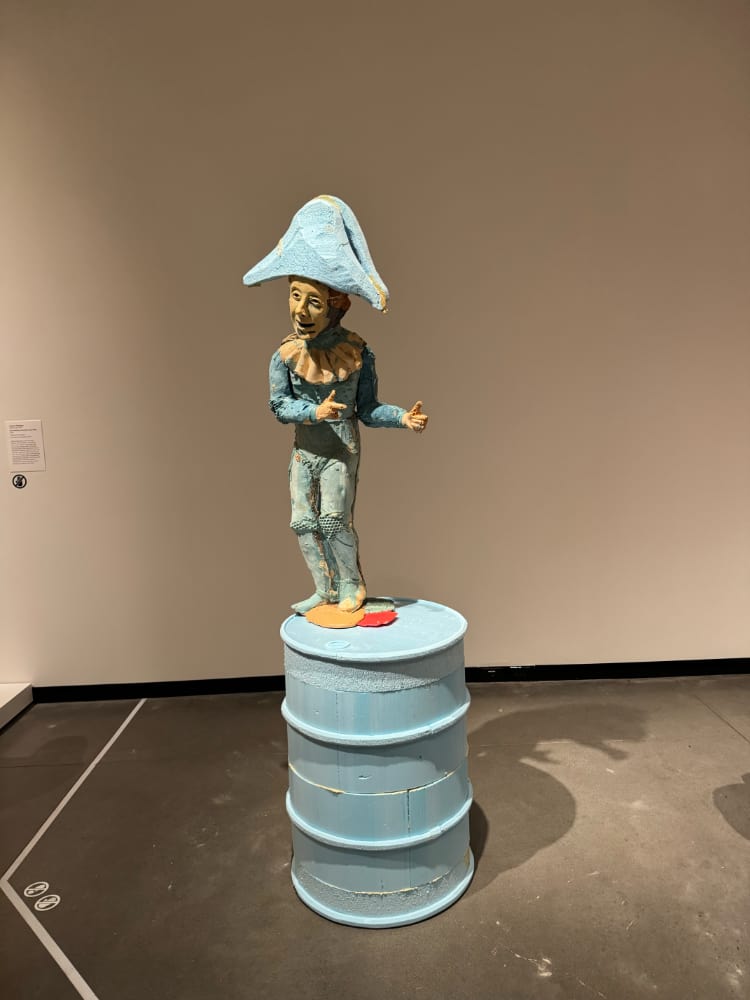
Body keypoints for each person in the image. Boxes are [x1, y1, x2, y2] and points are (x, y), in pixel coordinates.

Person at [244, 196, 427, 614]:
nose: (300, 310)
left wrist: (402, 417)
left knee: (332, 520)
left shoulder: (356, 353)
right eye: (295, 296)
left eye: (313, 301)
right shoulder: (285, 354)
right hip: (304, 451)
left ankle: (350, 584)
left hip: (339, 452)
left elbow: (368, 409)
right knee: (302, 523)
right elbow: (279, 406)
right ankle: (324, 588)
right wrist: (313, 412)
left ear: (336, 306)